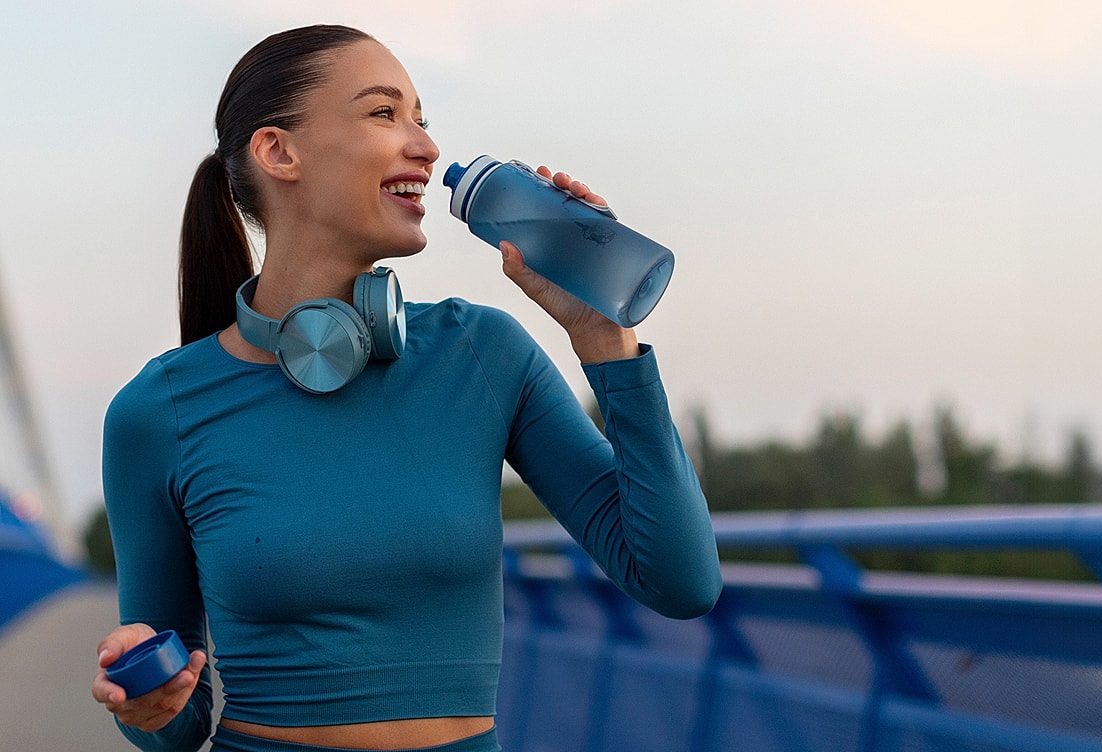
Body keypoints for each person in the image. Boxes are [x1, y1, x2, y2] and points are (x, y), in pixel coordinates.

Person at [91, 24, 722, 752]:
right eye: (384, 114)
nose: (424, 147)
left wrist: (605, 338)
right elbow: (179, 722)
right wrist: (149, 701)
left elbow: (680, 583)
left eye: (423, 119)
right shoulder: (156, 413)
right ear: (278, 151)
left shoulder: (482, 354)